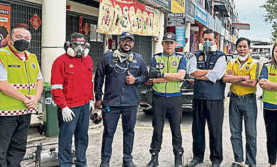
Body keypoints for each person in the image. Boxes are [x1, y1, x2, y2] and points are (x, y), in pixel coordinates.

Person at [94, 32, 148, 167]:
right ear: (120, 42)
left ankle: (127, 159)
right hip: (111, 102)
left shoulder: (139, 59)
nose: (127, 44)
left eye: (130, 41)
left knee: (129, 132)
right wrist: (98, 98)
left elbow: (146, 77)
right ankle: (105, 161)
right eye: (124, 41)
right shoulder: (108, 58)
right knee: (108, 132)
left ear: (133, 44)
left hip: (130, 103)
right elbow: (99, 77)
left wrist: (135, 80)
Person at [0, 27, 43, 166]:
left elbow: (39, 80)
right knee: (1, 150)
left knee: (18, 148)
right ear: (10, 39)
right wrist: (25, 99)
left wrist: (35, 99)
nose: (23, 40)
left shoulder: (32, 57)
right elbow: (1, 84)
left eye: (27, 38)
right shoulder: (2, 55)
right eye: (19, 36)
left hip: (25, 111)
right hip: (5, 113)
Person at [51, 32, 94, 167]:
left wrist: (91, 100)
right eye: (76, 44)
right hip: (69, 108)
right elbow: (56, 87)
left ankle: (82, 162)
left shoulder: (88, 60)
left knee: (82, 137)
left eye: (82, 44)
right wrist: (63, 107)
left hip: (84, 106)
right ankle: (65, 164)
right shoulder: (60, 61)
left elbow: (89, 82)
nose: (80, 48)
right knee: (66, 139)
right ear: (69, 45)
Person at [186, 29, 227, 167]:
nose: (207, 42)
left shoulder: (221, 56)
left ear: (215, 41)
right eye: (205, 39)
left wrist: (202, 74)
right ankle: (197, 157)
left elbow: (217, 75)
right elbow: (191, 71)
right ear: (201, 40)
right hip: (198, 98)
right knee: (197, 129)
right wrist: (209, 73)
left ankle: (216, 159)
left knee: (215, 130)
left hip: (215, 99)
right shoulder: (195, 55)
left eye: (210, 39)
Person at [146, 32, 187, 167]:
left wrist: (163, 74)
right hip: (159, 98)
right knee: (157, 129)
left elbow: (181, 76)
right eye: (166, 42)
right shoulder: (156, 59)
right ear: (162, 44)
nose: (169, 45)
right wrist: (171, 76)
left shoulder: (181, 59)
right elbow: (153, 78)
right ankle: (154, 157)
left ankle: (178, 158)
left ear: (175, 44)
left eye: (171, 43)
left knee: (176, 129)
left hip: (174, 98)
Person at [222, 37, 260, 167]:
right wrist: (244, 77)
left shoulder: (255, 63)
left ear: (249, 48)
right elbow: (226, 78)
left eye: (245, 46)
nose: (242, 49)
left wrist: (235, 78)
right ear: (236, 48)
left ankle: (251, 162)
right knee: (235, 132)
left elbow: (252, 83)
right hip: (234, 99)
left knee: (251, 133)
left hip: (249, 100)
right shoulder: (232, 62)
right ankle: (238, 160)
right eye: (240, 46)